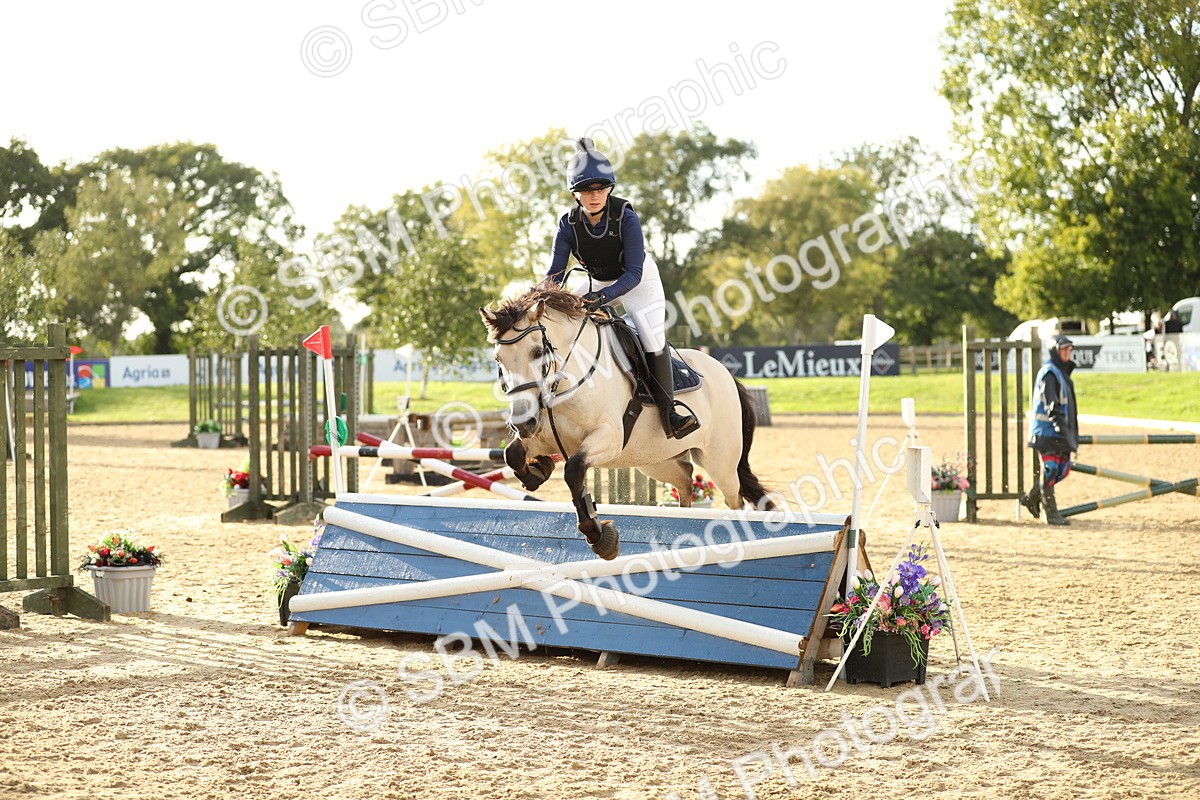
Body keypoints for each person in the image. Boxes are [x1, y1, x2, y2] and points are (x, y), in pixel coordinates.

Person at [545, 137, 700, 439]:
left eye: (600, 189)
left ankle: (670, 413)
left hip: (638, 282)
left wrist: (601, 298)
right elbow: (554, 275)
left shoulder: (626, 217)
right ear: (575, 194)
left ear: (609, 189)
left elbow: (633, 274)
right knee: (556, 320)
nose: (594, 195)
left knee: (652, 339)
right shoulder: (567, 225)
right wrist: (537, 298)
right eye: (587, 190)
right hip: (595, 280)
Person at [1021, 335, 1079, 525]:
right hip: (1046, 431)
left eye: (1069, 349)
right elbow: (1052, 406)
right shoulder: (1050, 373)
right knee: (1051, 469)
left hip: (1056, 431)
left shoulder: (1060, 371)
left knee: (1062, 470)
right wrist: (1062, 430)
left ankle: (1031, 497)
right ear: (1055, 350)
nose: (1067, 353)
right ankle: (1052, 514)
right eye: (1063, 349)